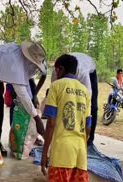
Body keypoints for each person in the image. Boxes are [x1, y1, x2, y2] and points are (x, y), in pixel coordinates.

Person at [41, 54, 91, 182]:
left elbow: (51, 123)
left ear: (61, 69)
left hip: (61, 154)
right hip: (80, 154)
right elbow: (88, 127)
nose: (55, 74)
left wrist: (44, 154)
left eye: (56, 70)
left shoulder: (56, 86)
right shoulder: (85, 91)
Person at [52, 52, 98, 144]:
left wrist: (87, 121)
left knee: (93, 107)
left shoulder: (82, 73)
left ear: (62, 70)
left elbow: (88, 97)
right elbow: (55, 95)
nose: (57, 75)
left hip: (90, 70)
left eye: (58, 73)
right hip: (71, 62)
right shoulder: (56, 73)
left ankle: (89, 138)